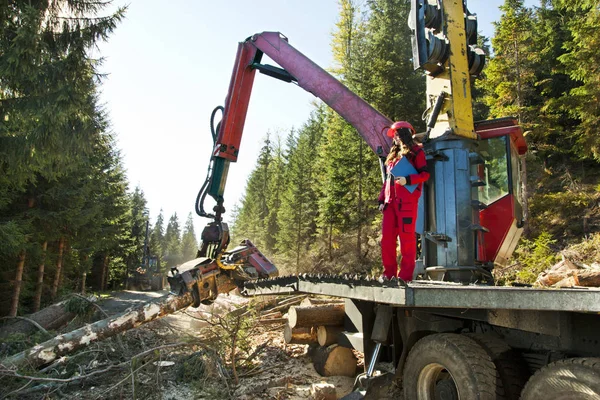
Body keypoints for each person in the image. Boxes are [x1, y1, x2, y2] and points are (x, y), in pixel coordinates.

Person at [378, 121, 430, 281]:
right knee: (386, 240)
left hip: (406, 204)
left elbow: (425, 175)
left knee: (406, 240)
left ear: (405, 134)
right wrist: (381, 199)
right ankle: (389, 274)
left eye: (397, 134)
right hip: (389, 204)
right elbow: (387, 180)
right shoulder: (392, 156)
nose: (395, 137)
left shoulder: (416, 153)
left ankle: (405, 276)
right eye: (394, 134)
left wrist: (407, 180)